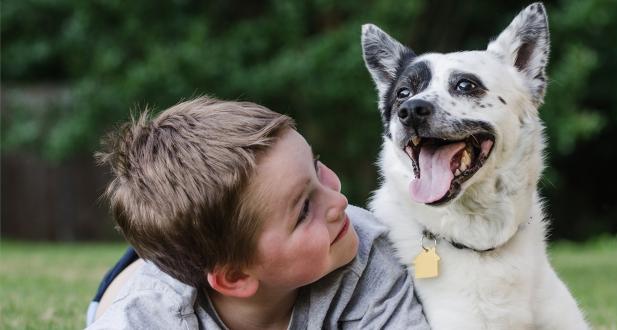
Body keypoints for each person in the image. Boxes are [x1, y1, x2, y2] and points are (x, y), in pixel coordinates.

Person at [86, 96, 429, 329]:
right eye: (304, 209)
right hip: (153, 281)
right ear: (236, 277)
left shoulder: (367, 253)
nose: (339, 203)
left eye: (317, 167)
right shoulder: (149, 315)